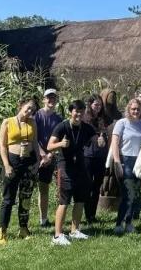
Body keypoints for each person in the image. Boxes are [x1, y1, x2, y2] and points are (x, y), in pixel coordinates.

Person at [47, 99, 95, 245]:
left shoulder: (86, 127)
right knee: (64, 201)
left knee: (80, 200)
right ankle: (57, 235)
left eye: (81, 111)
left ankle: (74, 231)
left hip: (80, 166)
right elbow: (49, 146)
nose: (78, 114)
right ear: (70, 112)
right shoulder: (62, 127)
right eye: (76, 111)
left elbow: (96, 136)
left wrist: (101, 140)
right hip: (65, 167)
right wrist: (61, 144)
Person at [0, 96, 40, 245]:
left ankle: (23, 228)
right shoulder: (7, 122)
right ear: (21, 105)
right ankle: (2, 231)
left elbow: (35, 143)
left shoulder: (32, 123)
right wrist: (7, 165)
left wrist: (37, 162)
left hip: (29, 163)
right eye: (28, 108)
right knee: (8, 199)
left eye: (33, 110)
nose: (29, 111)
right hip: (13, 162)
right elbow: (2, 146)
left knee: (26, 198)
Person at [111, 99, 141, 234]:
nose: (135, 112)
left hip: (139, 162)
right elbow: (114, 144)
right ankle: (118, 224)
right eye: (133, 109)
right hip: (125, 160)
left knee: (135, 194)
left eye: (138, 109)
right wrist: (117, 162)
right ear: (128, 109)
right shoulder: (121, 123)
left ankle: (129, 223)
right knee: (128, 194)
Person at [33, 88, 63, 228]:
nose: (51, 100)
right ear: (43, 99)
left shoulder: (58, 119)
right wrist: (42, 154)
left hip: (52, 157)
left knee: (51, 188)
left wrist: (50, 155)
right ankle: (39, 219)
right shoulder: (36, 116)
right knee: (37, 189)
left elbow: (60, 139)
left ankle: (50, 219)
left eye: (54, 98)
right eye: (48, 97)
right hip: (37, 157)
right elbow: (33, 137)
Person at [82, 94, 107, 223]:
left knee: (97, 186)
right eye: (95, 104)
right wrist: (96, 138)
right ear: (90, 105)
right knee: (87, 185)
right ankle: (87, 214)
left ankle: (92, 214)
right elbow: (84, 137)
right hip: (88, 156)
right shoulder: (85, 119)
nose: (98, 107)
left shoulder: (101, 119)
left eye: (100, 105)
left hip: (100, 156)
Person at [99, 89, 122, 210]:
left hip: (114, 149)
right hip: (102, 150)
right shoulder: (100, 115)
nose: (111, 100)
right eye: (109, 97)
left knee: (113, 176)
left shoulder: (118, 115)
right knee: (104, 176)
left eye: (113, 97)